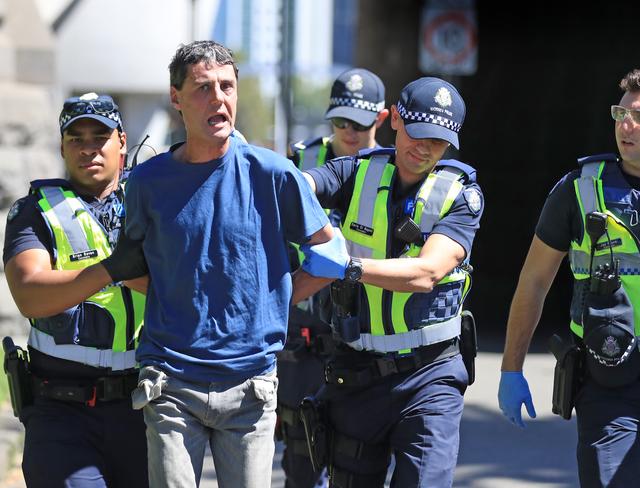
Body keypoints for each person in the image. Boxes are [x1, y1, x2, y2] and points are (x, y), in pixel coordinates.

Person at [119, 40, 334, 488]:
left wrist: (276, 299)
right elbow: (130, 264)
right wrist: (173, 295)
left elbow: (329, 252)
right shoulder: (147, 182)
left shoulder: (273, 174)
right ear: (176, 97)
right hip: (171, 380)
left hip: (252, 385)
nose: (218, 98)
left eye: (227, 86)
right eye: (203, 88)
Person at [295, 77, 484, 487]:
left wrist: (347, 266)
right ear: (395, 119)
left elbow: (426, 273)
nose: (425, 148)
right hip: (356, 373)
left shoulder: (462, 195)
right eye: (418, 134)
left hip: (429, 376)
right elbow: (301, 186)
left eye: (438, 141)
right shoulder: (357, 171)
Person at [498, 67, 640, 487]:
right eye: (621, 113)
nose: (626, 125)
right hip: (610, 380)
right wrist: (511, 369)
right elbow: (534, 280)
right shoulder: (579, 190)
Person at [2, 93, 148, 487]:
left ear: (121, 139)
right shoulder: (34, 211)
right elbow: (30, 292)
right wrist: (113, 270)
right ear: (62, 146)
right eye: (75, 138)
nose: (88, 149)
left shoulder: (152, 201)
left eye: (99, 136)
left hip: (146, 406)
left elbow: (186, 286)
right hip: (62, 413)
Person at [279, 67, 388, 488]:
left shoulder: (393, 171)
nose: (348, 132)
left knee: (356, 461)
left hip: (365, 338)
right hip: (303, 343)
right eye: (340, 121)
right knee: (302, 463)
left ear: (380, 119)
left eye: (359, 124)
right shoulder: (300, 161)